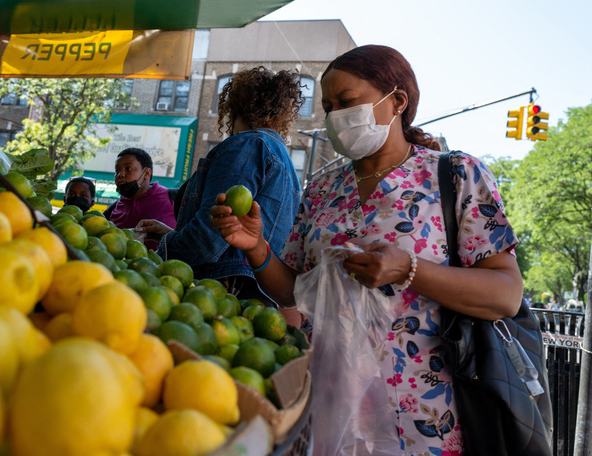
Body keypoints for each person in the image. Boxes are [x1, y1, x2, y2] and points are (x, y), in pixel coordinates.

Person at [210, 45, 523, 454]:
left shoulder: (456, 175)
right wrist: (256, 248)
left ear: (397, 101)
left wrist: (408, 269)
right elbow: (292, 290)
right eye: (328, 106)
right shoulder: (322, 188)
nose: (336, 116)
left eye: (347, 102)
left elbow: (505, 294)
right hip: (327, 406)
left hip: (422, 416)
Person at [137, 66, 304, 321]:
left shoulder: (248, 145)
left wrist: (152, 258)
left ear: (235, 107)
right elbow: (235, 231)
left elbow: (211, 234)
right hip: (251, 305)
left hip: (217, 298)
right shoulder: (284, 161)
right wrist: (173, 234)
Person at [105, 148, 177, 248]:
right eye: (117, 170)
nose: (120, 174)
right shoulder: (112, 210)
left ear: (147, 173)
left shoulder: (174, 198)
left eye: (128, 169)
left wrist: (169, 234)